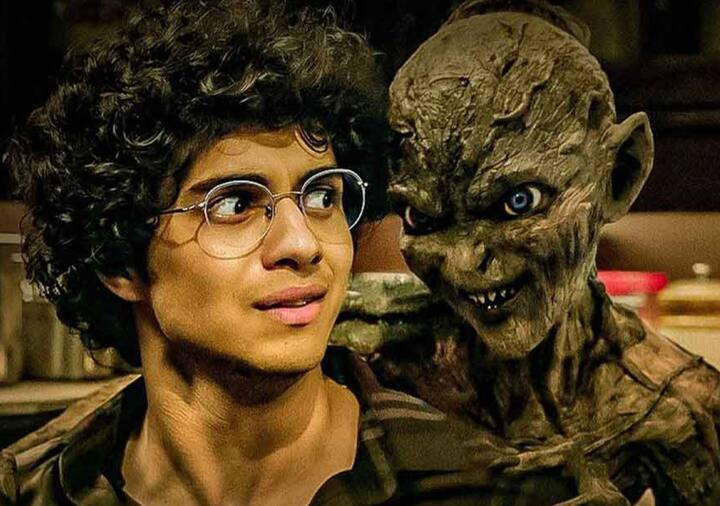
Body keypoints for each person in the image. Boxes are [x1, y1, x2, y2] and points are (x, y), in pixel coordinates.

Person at [0, 1, 515, 504]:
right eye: (235, 204)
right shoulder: (40, 490)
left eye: (322, 197)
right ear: (119, 261)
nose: (303, 245)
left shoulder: (475, 488)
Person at [344, 0, 719, 504]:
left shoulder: (678, 413)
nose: (464, 262)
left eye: (518, 202)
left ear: (618, 174)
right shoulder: (373, 373)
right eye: (422, 217)